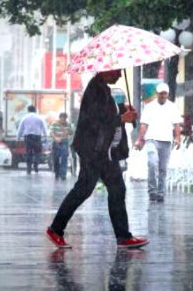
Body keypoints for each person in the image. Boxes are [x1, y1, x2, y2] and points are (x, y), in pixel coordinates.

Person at [46, 69, 149, 249]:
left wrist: (124, 110)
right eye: (116, 71)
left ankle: (123, 237)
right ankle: (56, 229)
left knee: (117, 189)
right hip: (93, 150)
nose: (119, 75)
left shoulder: (103, 89)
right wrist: (122, 118)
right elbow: (96, 120)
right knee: (84, 189)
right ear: (106, 71)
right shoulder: (95, 89)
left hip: (105, 151)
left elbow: (106, 113)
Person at [134, 82, 182, 203]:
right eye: (160, 93)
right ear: (157, 94)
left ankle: (161, 193)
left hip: (166, 141)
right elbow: (144, 124)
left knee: (163, 169)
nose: (162, 96)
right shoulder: (149, 107)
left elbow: (176, 125)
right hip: (152, 139)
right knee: (152, 163)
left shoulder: (173, 107)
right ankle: (152, 191)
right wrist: (140, 139)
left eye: (164, 94)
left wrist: (178, 138)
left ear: (168, 94)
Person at [17, 105, 48, 175]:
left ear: (28, 110)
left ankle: (29, 169)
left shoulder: (24, 118)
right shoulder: (40, 118)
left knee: (28, 153)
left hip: (28, 137)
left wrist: (18, 139)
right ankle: (36, 164)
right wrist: (46, 138)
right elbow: (44, 129)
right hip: (37, 137)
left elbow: (20, 129)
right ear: (35, 110)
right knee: (38, 152)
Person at [50, 112, 73, 180]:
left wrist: (68, 132)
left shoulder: (68, 124)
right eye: (62, 119)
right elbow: (51, 132)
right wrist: (56, 138)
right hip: (56, 143)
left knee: (64, 157)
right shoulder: (54, 124)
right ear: (59, 118)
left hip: (64, 143)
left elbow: (71, 132)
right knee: (56, 158)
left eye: (65, 119)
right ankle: (57, 173)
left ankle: (63, 174)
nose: (63, 120)